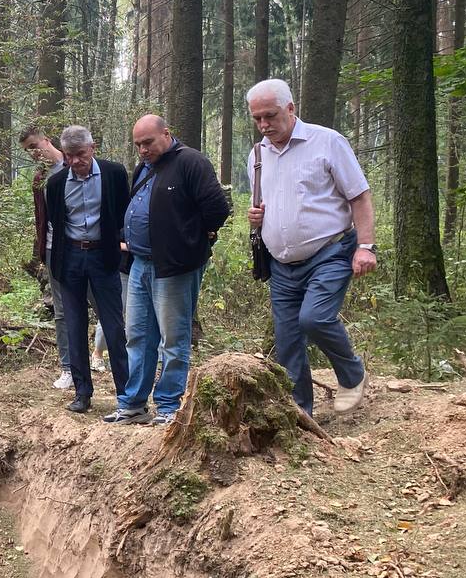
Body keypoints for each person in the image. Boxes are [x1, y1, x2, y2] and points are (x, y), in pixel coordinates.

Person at [247, 78, 376, 418]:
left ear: (291, 109)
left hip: (330, 251)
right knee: (287, 339)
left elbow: (359, 196)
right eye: (257, 118)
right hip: (281, 263)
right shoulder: (258, 154)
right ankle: (299, 411)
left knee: (315, 318)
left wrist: (366, 246)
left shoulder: (327, 142)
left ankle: (352, 375)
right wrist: (257, 217)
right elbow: (268, 202)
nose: (264, 125)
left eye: (270, 116)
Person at [105, 115, 231, 426]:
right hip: (141, 264)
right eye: (138, 145)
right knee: (136, 336)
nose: (143, 150)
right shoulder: (145, 167)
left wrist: (196, 239)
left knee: (172, 340)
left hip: (175, 267)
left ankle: (168, 406)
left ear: (167, 133)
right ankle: (134, 403)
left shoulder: (191, 162)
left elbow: (217, 207)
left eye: (148, 142)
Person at [46, 125, 130, 413]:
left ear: (92, 148)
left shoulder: (114, 174)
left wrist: (120, 247)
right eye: (69, 156)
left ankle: (126, 393)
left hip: (103, 257)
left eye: (80, 154)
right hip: (69, 258)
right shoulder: (56, 184)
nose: (75, 161)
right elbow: (55, 222)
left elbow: (122, 213)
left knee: (114, 325)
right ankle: (82, 392)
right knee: (74, 325)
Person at [19, 125, 73, 390]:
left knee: (101, 306)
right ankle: (68, 368)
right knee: (61, 311)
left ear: (47, 141)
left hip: (86, 249)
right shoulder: (40, 178)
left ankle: (114, 359)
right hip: (54, 250)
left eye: (34, 146)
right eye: (27, 150)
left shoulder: (75, 164)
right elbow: (42, 219)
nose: (32, 153)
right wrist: (41, 250)